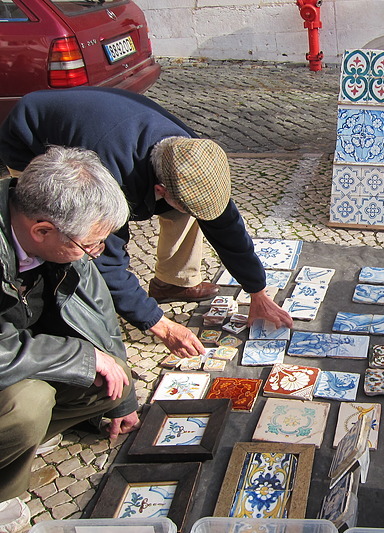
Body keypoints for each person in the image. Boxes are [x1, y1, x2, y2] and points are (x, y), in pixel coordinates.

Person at [0, 87, 293, 359]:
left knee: (192, 209)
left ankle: (171, 283)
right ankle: (50, 321)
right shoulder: (112, 174)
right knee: (69, 242)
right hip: (31, 137)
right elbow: (106, 258)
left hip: (104, 128)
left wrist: (258, 292)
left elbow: (225, 225)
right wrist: (159, 324)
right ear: (160, 191)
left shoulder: (192, 158)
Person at [0, 146, 138, 532]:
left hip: (21, 351)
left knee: (111, 377)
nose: (94, 255)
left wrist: (122, 400)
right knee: (29, 404)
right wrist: (76, 356)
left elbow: (98, 319)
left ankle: (21, 441)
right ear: (42, 230)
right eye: (90, 244)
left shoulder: (67, 245)